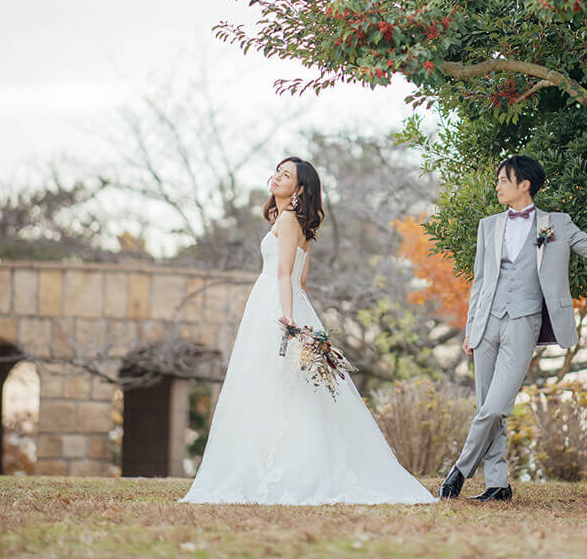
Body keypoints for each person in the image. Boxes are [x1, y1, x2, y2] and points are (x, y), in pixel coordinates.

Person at [182, 156, 434, 505]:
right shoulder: (299, 223)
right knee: (290, 391)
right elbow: (302, 279)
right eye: (277, 171)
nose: (276, 177)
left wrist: (287, 320)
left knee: (268, 385)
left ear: (299, 189)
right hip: (289, 301)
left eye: (286, 175)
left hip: (276, 306)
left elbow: (285, 274)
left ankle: (275, 471)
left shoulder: (286, 220)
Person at [439, 155, 587, 502]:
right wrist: (471, 329)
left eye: (502, 180)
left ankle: (459, 471)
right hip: (486, 325)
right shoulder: (488, 226)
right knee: (487, 408)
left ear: (524, 184)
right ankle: (497, 485)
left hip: (524, 322)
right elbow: (480, 283)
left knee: (496, 407)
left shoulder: (555, 223)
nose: (497, 186)